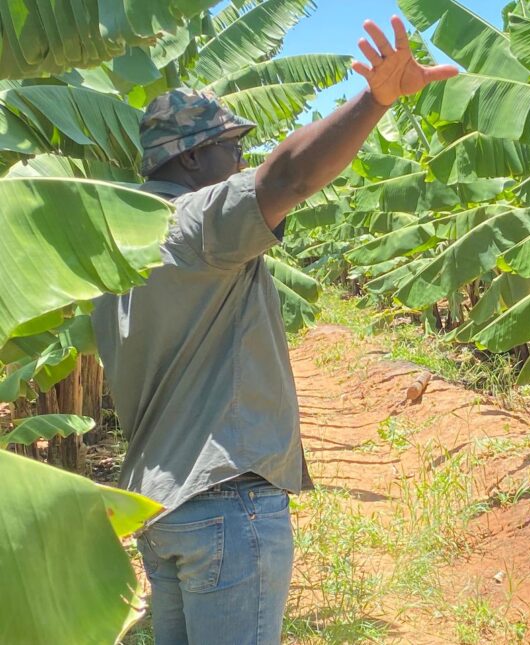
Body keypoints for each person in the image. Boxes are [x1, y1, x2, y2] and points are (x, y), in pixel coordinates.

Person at [91, 17, 457, 645]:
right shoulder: (195, 224)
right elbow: (288, 176)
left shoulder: (113, 252)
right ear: (192, 156)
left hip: (161, 509)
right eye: (230, 149)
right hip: (224, 501)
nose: (240, 161)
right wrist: (375, 99)